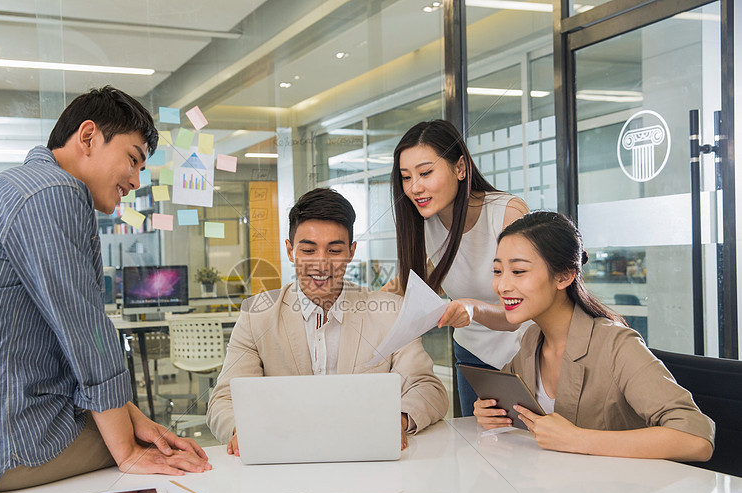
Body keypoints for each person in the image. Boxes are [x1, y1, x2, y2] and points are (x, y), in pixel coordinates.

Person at [0, 86, 211, 493]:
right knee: (170, 462)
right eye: (132, 159)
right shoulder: (52, 193)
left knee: (141, 430)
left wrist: (133, 417)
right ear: (88, 137)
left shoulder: (13, 189)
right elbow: (87, 335)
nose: (136, 180)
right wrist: (126, 448)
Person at [207, 188, 449, 455]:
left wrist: (399, 419)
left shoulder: (390, 312)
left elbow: (429, 389)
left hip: (366, 456)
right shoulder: (257, 316)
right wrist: (240, 430)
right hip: (284, 455)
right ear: (290, 251)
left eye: (334, 251)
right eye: (308, 250)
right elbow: (224, 398)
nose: (321, 264)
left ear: (351, 252)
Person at [475, 211, 714, 462]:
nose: (502, 286)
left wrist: (577, 438)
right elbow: (508, 405)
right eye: (498, 271)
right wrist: (489, 411)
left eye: (519, 271)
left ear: (564, 276)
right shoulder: (532, 340)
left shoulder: (616, 345)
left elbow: (695, 439)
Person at [389, 119, 529, 416]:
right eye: (406, 177)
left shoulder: (506, 213)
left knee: (527, 449)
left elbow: (521, 312)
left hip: (525, 352)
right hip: (473, 356)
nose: (415, 187)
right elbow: (406, 287)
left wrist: (473, 309)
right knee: (479, 447)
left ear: (461, 168)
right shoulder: (424, 225)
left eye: (426, 172)